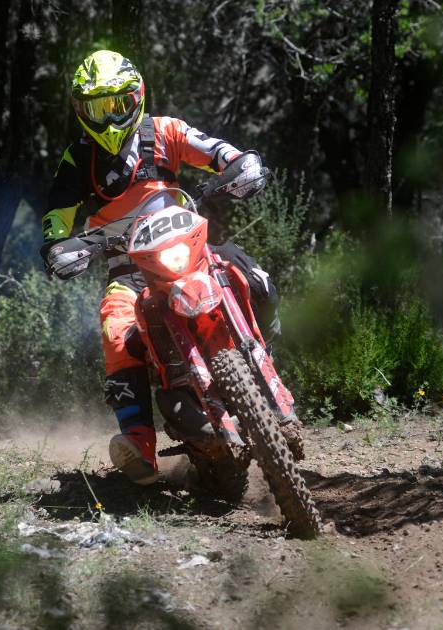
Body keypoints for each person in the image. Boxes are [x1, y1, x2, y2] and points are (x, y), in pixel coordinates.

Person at [40, 50, 282, 485]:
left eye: (117, 104)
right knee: (116, 330)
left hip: (190, 248)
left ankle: (266, 358)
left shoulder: (166, 131)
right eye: (97, 109)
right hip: (128, 269)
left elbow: (215, 150)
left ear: (136, 98)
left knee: (252, 275)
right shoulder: (78, 157)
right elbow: (58, 212)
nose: (108, 118)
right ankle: (138, 442)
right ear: (80, 110)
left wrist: (239, 166)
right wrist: (58, 244)